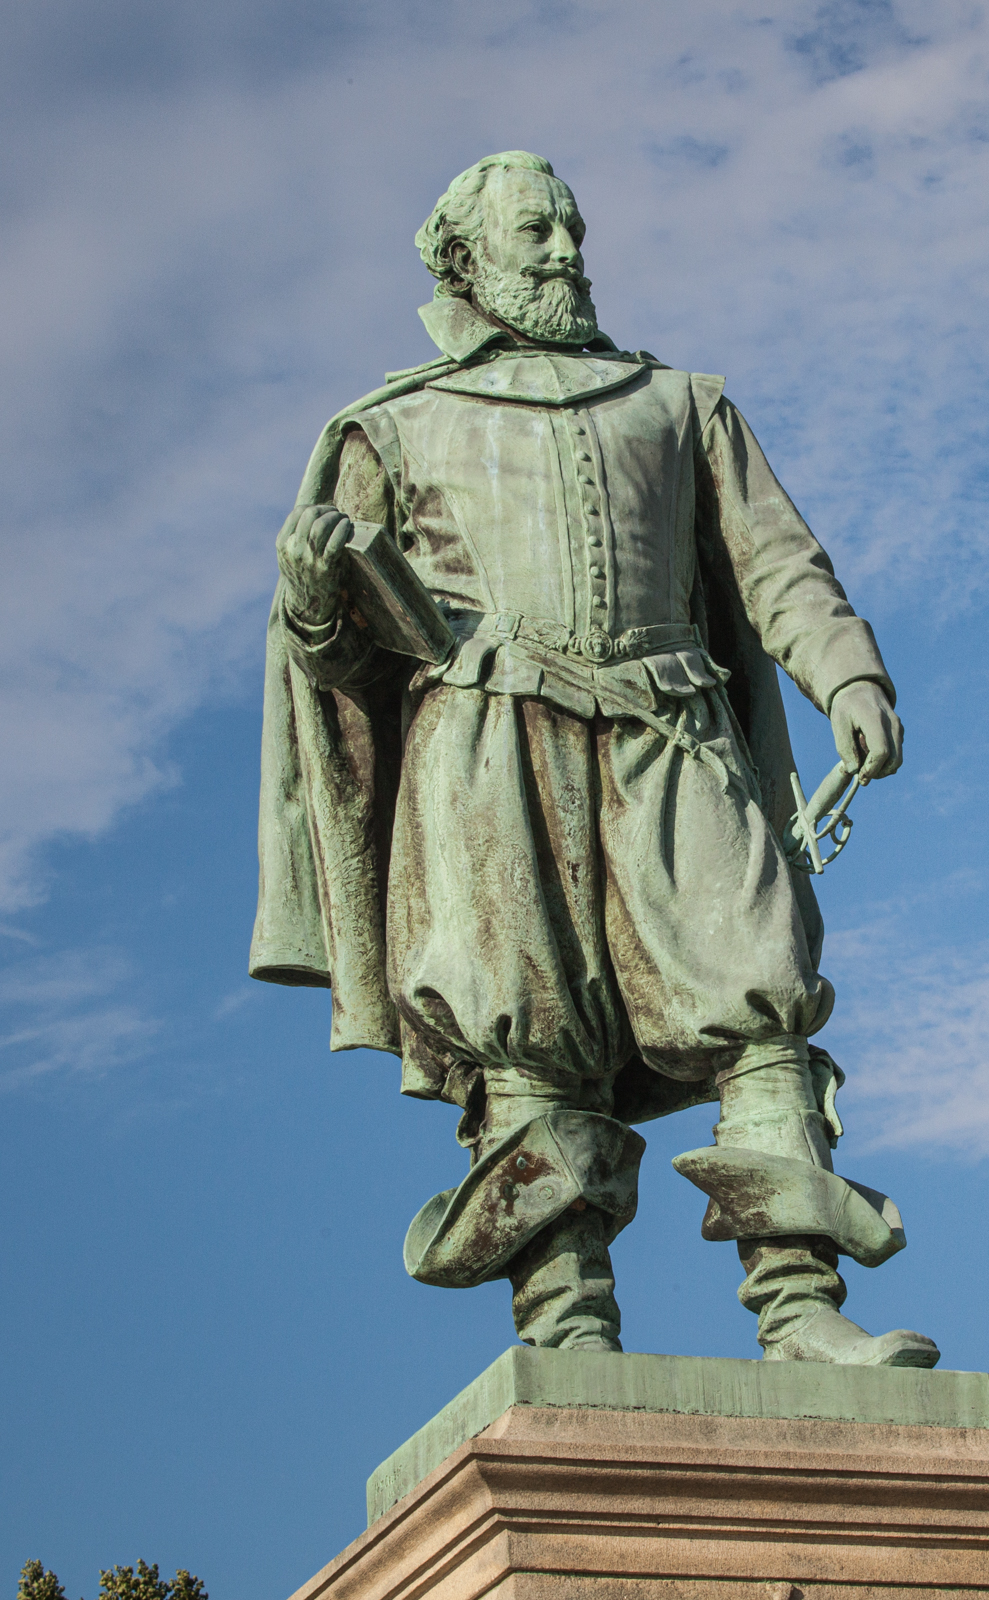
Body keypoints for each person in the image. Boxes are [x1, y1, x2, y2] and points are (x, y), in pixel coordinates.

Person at [250, 151, 936, 1367]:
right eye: (536, 234)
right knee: (526, 1041)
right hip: (485, 756)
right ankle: (567, 1332)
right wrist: (313, 602)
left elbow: (777, 563)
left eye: (573, 227)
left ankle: (800, 1312)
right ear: (462, 261)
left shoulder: (678, 404)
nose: (568, 251)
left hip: (673, 734)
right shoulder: (389, 428)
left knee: (760, 995)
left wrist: (848, 671)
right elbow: (348, 680)